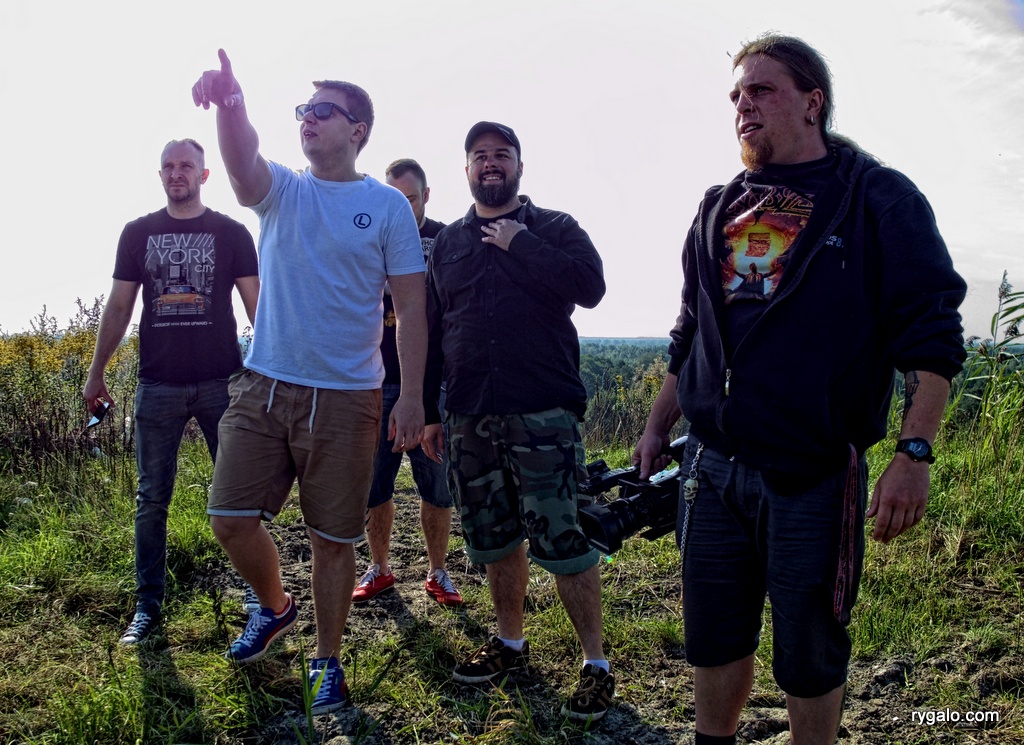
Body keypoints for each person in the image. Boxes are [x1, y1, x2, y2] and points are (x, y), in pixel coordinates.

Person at [633, 34, 967, 745]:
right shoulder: (718, 205)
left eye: (761, 90)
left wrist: (913, 451)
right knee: (713, 634)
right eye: (736, 95)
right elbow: (691, 332)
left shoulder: (876, 199)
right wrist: (659, 424)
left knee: (810, 645)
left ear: (813, 101)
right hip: (711, 466)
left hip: (813, 471)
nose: (742, 106)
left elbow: (931, 335)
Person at [191, 50, 428, 714]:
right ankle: (274, 606)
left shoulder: (387, 207)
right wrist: (231, 105)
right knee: (229, 518)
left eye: (324, 111)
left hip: (348, 397)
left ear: (358, 129)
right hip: (264, 385)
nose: (309, 118)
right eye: (304, 109)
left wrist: (411, 395)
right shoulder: (284, 190)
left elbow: (411, 308)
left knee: (331, 537)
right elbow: (242, 163)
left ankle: (327, 660)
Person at [423, 122, 613, 721]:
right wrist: (429, 412)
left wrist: (520, 244)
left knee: (564, 539)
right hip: (469, 414)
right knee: (495, 538)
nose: (490, 163)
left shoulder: (554, 228)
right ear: (467, 170)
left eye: (501, 154)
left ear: (519, 166)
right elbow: (433, 331)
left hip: (542, 413)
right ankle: (509, 643)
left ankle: (596, 664)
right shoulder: (447, 244)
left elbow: (591, 288)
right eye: (480, 155)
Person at [83, 138, 260, 646]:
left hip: (222, 383)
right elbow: (119, 307)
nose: (176, 173)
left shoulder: (231, 233)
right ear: (160, 175)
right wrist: (96, 372)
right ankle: (148, 607)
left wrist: (270, 371)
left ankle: (258, 597)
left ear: (204, 175)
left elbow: (257, 306)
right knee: (151, 498)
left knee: (239, 495)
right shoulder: (137, 233)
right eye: (168, 166)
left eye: (186, 166)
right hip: (157, 384)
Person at [352, 158, 462, 607]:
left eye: (410, 199)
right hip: (374, 381)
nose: (401, 207)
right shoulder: (367, 237)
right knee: (374, 485)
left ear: (427, 196)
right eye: (393, 199)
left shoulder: (447, 240)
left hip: (433, 386)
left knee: (436, 486)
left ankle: (438, 571)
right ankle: (379, 568)